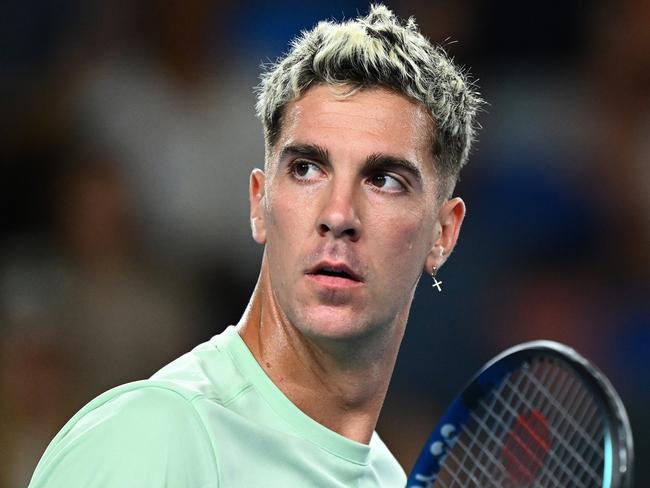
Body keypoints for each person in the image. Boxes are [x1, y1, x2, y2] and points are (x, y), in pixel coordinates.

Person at [29, 4, 482, 487]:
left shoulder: (388, 480)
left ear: (443, 234)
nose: (338, 215)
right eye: (306, 169)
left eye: (384, 180)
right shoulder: (155, 436)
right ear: (258, 203)